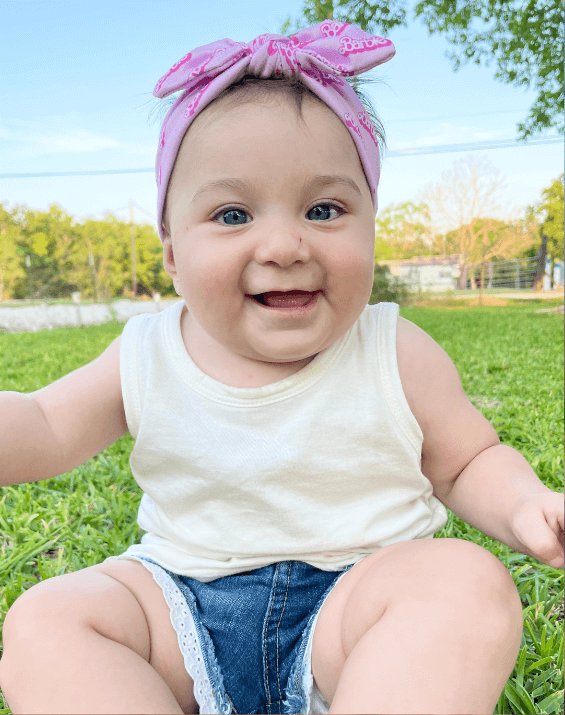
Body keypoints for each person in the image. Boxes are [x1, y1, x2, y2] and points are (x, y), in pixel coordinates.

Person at [0, 21, 562, 715]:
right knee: (48, 616)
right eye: (233, 213)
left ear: (370, 227)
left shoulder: (392, 348)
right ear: (172, 253)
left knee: (462, 581)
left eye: (323, 209)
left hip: (356, 610)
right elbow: (47, 424)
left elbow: (467, 460)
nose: (284, 242)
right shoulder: (147, 351)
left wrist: (522, 501)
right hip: (176, 606)